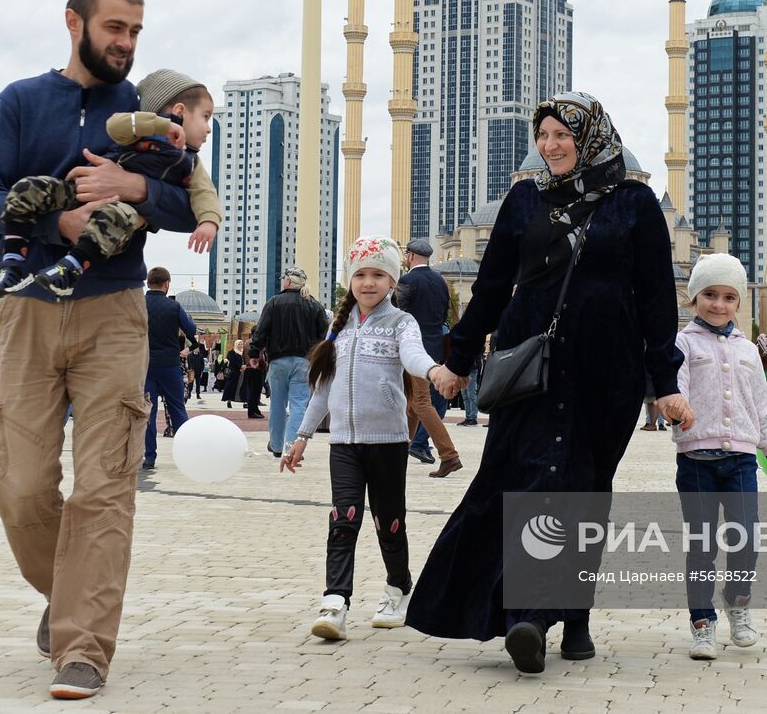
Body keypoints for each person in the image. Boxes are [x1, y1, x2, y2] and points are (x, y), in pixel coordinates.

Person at [0, 0, 199, 699]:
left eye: (135, 32)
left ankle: (84, 648)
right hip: (30, 311)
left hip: (115, 314)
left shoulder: (147, 114)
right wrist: (57, 221)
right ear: (75, 22)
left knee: (106, 485)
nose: (126, 44)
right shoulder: (20, 101)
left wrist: (134, 190)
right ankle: (66, 597)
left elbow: (190, 203)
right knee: (22, 483)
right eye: (114, 29)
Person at [407, 91, 685, 673]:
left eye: (563, 135)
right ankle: (527, 615)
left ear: (589, 137)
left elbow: (659, 298)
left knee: (582, 487)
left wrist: (665, 380)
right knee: (525, 479)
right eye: (544, 136)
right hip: (528, 363)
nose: (551, 146)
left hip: (606, 371)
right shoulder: (523, 202)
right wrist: (458, 361)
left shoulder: (633, 203)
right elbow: (490, 288)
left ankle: (571, 613)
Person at [279, 236, 437, 638]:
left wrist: (433, 371)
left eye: (378, 275)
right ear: (351, 280)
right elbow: (323, 388)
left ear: (392, 281)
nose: (369, 283)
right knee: (343, 518)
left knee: (389, 522)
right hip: (344, 444)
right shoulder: (338, 328)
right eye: (361, 275)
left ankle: (398, 587)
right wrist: (301, 436)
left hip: (387, 441)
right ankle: (335, 602)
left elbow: (413, 357)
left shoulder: (402, 323)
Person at [670, 254, 767, 660]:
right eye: (709, 295)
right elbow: (676, 387)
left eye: (729, 297)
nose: (718, 304)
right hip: (696, 460)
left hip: (742, 459)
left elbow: (760, 405)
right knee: (702, 546)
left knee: (746, 537)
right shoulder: (684, 343)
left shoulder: (748, 350)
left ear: (738, 303)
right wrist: (678, 410)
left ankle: (738, 602)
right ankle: (702, 623)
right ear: (694, 298)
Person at [0, 69, 220, 298]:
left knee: (119, 217)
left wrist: (208, 222)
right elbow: (115, 125)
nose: (209, 127)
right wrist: (160, 125)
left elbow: (204, 192)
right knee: (27, 188)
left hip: (120, 210)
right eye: (205, 116)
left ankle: (71, 267)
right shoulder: (139, 134)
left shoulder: (190, 161)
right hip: (82, 189)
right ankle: (12, 262)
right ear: (180, 111)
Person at [245, 267, 329, 458]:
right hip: (305, 362)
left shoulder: (274, 302)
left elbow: (261, 331)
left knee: (277, 404)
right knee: (299, 405)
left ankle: (275, 445)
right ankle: (291, 446)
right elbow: (324, 334)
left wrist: (254, 353)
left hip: (278, 361)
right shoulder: (314, 305)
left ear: (289, 282)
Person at [398, 239, 463, 477]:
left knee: (421, 403)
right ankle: (399, 451)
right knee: (414, 404)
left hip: (414, 349)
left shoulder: (407, 281)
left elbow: (399, 314)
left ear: (411, 256)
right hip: (435, 347)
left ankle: (449, 455)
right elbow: (444, 313)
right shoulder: (441, 281)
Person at [141, 267, 198, 471]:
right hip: (170, 366)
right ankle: (186, 455)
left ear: (148, 283)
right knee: (177, 409)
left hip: (144, 366)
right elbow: (192, 331)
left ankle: (149, 457)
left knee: (147, 411)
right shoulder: (174, 307)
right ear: (166, 284)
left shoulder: (138, 305)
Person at [222, 339, 244, 407]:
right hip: (233, 373)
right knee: (230, 387)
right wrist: (240, 366)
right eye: (239, 344)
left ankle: (244, 401)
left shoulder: (243, 352)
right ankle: (229, 401)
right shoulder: (232, 352)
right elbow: (232, 361)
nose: (240, 345)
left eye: (241, 344)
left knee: (241, 387)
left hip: (242, 373)